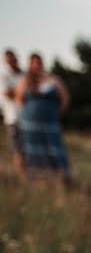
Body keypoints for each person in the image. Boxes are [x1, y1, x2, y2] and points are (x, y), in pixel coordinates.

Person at [15, 52, 72, 183]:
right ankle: (38, 179)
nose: (36, 66)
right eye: (34, 63)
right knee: (33, 150)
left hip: (50, 122)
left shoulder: (53, 79)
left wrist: (56, 113)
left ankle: (61, 178)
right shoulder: (25, 80)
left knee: (53, 148)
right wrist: (28, 113)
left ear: (42, 63)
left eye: (38, 63)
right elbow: (19, 99)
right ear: (30, 65)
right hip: (30, 124)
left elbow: (65, 98)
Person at [2, 49, 25, 179]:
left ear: (17, 59)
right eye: (8, 61)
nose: (11, 62)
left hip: (28, 118)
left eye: (13, 59)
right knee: (18, 149)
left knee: (29, 148)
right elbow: (8, 94)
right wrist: (24, 93)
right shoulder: (4, 77)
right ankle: (23, 177)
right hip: (13, 118)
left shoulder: (25, 75)